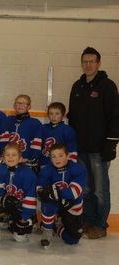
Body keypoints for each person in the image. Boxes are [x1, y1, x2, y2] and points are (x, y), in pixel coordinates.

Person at [68, 47, 119, 239]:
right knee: (86, 188)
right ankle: (88, 221)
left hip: (99, 149)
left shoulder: (107, 85)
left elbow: (116, 116)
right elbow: (72, 117)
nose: (88, 65)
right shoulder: (77, 86)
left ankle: (100, 224)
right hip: (80, 148)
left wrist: (111, 143)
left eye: (92, 61)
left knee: (100, 190)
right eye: (85, 61)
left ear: (98, 63)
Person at [0, 143, 37, 245]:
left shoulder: (28, 174)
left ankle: (17, 220)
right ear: (3, 158)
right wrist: (3, 198)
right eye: (7, 155)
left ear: (21, 159)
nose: (10, 157)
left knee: (20, 238)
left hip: (19, 205)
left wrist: (24, 217)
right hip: (4, 202)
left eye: (14, 155)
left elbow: (30, 196)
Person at [37, 144, 86, 248]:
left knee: (73, 239)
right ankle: (47, 230)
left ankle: (56, 227)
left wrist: (56, 192)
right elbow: (40, 190)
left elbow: (75, 192)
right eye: (53, 156)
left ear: (68, 156)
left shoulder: (78, 169)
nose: (57, 159)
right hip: (54, 203)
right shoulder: (46, 170)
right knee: (47, 202)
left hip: (72, 204)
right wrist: (45, 193)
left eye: (60, 155)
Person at [0, 94, 43, 173]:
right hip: (10, 160)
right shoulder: (8, 120)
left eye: (23, 103)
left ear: (29, 107)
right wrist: (4, 156)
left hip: (26, 162)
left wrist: (32, 160)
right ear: (14, 105)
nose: (20, 105)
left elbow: (37, 145)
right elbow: (3, 141)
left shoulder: (35, 123)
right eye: (18, 103)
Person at [40, 102, 77, 167]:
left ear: (63, 115)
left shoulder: (68, 130)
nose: (54, 116)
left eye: (57, 114)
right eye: (51, 114)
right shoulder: (43, 128)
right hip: (45, 163)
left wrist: (71, 165)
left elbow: (72, 149)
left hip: (62, 165)